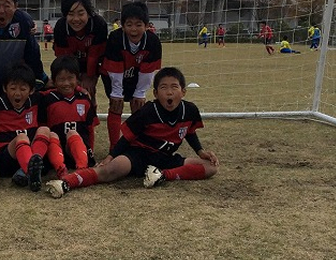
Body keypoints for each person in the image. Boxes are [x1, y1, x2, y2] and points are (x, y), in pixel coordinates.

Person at [45, 67, 219, 198]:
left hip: (165, 159)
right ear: (156, 93)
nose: (169, 92)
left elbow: (189, 132)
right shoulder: (147, 111)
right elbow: (126, 139)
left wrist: (201, 152)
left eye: (174, 87)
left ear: (183, 91)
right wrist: (110, 157)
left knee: (211, 167)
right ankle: (67, 182)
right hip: (137, 155)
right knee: (109, 171)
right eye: (164, 87)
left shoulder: (190, 110)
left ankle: (162, 175)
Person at [101, 1, 162, 152]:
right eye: (129, 24)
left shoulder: (153, 41)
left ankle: (137, 144)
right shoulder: (115, 38)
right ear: (122, 26)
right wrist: (117, 92)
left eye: (138, 24)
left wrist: (140, 93)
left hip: (137, 76)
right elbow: (114, 69)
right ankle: (114, 147)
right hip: (114, 76)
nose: (134, 29)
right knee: (116, 103)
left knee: (138, 104)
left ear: (146, 26)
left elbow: (148, 72)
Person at [0, 62, 51, 192]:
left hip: (30, 152)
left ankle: (27, 171)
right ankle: (31, 172)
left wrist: (81, 90)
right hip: (5, 160)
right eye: (13, 88)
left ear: (31, 90)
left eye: (23, 89)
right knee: (21, 137)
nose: (17, 93)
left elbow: (61, 91)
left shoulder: (36, 101)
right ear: (4, 88)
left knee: (45, 130)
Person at [39, 56, 98, 177]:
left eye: (70, 78)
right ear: (54, 81)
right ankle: (60, 169)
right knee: (52, 135)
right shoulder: (47, 99)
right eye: (61, 79)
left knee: (72, 133)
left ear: (77, 79)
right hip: (55, 150)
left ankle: (82, 168)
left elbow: (90, 129)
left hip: (78, 150)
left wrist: (90, 150)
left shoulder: (84, 99)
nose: (66, 83)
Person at [53, 0, 108, 101]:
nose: (76, 19)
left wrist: (90, 76)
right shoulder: (61, 27)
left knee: (88, 91)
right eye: (71, 14)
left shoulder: (98, 24)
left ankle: (91, 109)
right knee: (68, 89)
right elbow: (63, 58)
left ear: (88, 13)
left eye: (81, 13)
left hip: (92, 63)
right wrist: (72, 79)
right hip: (71, 63)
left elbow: (95, 55)